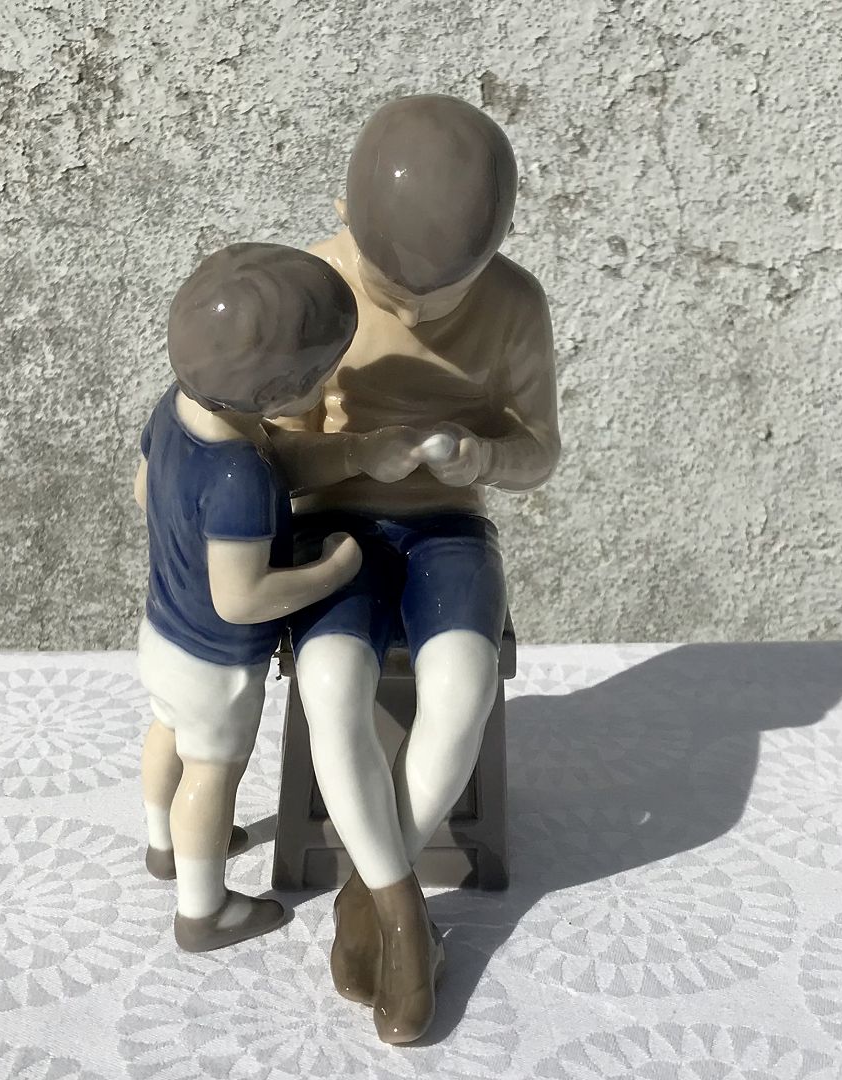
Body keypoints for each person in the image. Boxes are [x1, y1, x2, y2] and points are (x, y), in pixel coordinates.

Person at [265, 95, 561, 1042]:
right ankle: (402, 915)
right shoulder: (314, 288)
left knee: (464, 683)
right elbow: (275, 454)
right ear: (344, 219)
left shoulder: (515, 304)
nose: (415, 312)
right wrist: (360, 454)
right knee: (329, 682)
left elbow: (541, 450)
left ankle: (363, 894)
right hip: (334, 521)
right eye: (393, 290)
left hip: (447, 526)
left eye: (444, 295)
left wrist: (483, 458)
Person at [133, 242, 420, 951]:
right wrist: (333, 571)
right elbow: (242, 597)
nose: (331, 383)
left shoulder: (174, 411)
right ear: (274, 395)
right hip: (217, 659)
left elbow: (144, 490)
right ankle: (203, 909)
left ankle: (162, 845)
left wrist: (353, 453)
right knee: (212, 773)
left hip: (162, 629)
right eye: (322, 375)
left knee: (166, 730)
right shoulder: (241, 478)